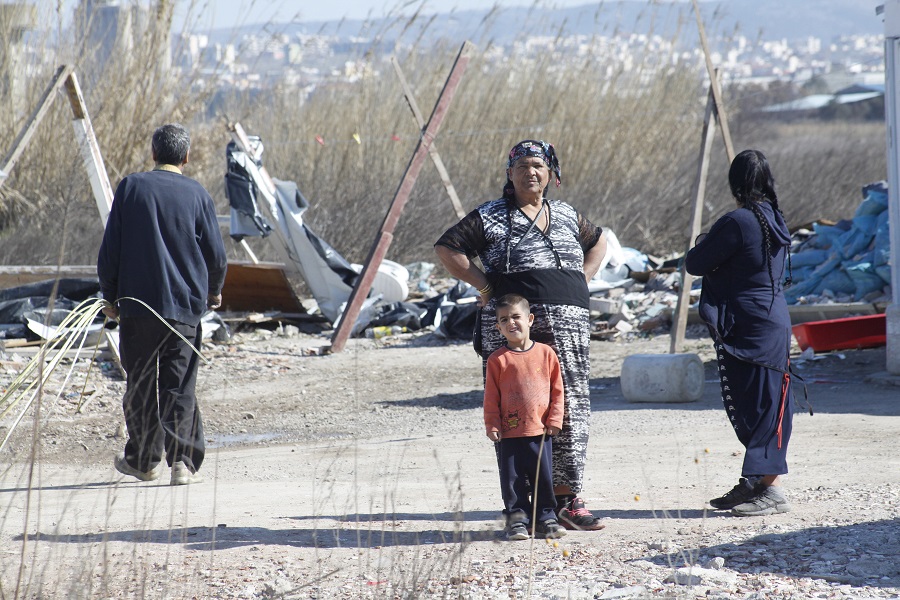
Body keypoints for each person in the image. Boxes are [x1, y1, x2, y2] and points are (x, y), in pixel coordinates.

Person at [435, 139, 608, 530]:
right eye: (524, 166)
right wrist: (484, 289)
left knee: (570, 405)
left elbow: (599, 242)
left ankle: (566, 498)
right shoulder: (492, 215)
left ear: (551, 174)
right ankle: (522, 504)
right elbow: (449, 248)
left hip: (570, 327)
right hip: (514, 326)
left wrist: (582, 279)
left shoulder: (565, 214)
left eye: (539, 166)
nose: (532, 172)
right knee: (516, 409)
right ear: (509, 174)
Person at [98, 123, 228, 486]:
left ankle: (144, 461)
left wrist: (108, 295)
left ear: (154, 154)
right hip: (184, 310)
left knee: (139, 383)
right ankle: (182, 464)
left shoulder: (131, 188)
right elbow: (216, 256)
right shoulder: (198, 194)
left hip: (137, 308)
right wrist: (214, 292)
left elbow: (110, 250)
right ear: (186, 157)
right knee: (179, 387)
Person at [685, 149, 794, 517]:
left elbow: (695, 263)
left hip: (749, 324)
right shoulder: (774, 219)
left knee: (762, 406)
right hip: (770, 320)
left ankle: (771, 491)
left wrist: (705, 243)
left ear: (735, 183)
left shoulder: (738, 222)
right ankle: (756, 482)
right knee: (761, 403)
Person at [485, 294, 566, 540]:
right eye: (504, 319)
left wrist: (555, 420)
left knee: (543, 478)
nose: (511, 323)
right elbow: (491, 396)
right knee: (512, 481)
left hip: (540, 431)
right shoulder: (497, 360)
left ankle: (546, 518)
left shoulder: (546, 354)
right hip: (509, 433)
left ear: (530, 319)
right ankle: (517, 521)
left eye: (516, 316)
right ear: (498, 327)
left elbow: (558, 390)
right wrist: (492, 424)